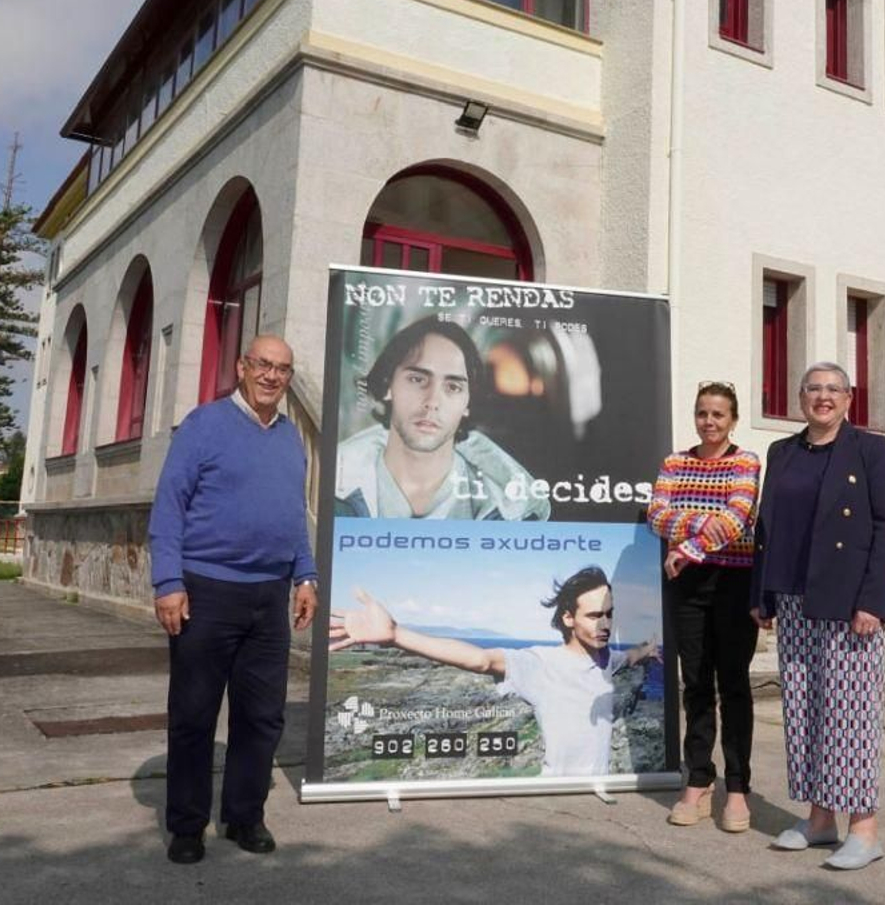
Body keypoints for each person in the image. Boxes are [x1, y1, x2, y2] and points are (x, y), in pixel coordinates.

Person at [148, 334, 319, 865]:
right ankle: (187, 825)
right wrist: (168, 582)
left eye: (283, 369)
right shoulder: (204, 425)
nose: (272, 376)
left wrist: (306, 574)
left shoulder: (291, 438)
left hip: (268, 598)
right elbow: (169, 507)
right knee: (194, 714)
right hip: (206, 592)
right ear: (242, 367)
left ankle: (245, 816)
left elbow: (293, 515)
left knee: (263, 716)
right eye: (263, 365)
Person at [750, 362, 885, 871]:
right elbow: (767, 526)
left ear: (849, 397)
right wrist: (763, 593)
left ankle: (864, 828)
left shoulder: (871, 450)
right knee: (806, 712)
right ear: (800, 397)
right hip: (793, 597)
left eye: (833, 389)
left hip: (846, 601)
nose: (823, 397)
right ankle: (819, 820)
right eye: (813, 388)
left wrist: (873, 602)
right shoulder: (783, 452)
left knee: (850, 715)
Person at [327, 566, 655, 776]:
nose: (606, 624)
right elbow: (480, 659)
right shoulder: (539, 664)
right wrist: (398, 635)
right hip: (556, 799)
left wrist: (647, 650)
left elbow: (627, 659)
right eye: (595, 615)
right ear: (568, 618)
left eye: (610, 614)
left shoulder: (605, 660)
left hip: (599, 798)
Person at [647, 381, 761, 833]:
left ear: (732, 419)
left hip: (734, 582)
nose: (709, 422)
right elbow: (657, 515)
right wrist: (701, 532)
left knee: (732, 685)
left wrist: (687, 543)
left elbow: (740, 517)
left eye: (718, 414)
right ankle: (697, 779)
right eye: (702, 413)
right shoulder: (675, 462)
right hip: (686, 583)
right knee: (695, 683)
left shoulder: (746, 461)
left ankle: (737, 787)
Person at [334, 315, 548, 521]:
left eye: (453, 386)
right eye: (417, 379)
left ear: (468, 404)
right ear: (388, 385)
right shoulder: (333, 483)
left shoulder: (510, 509)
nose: (432, 401)